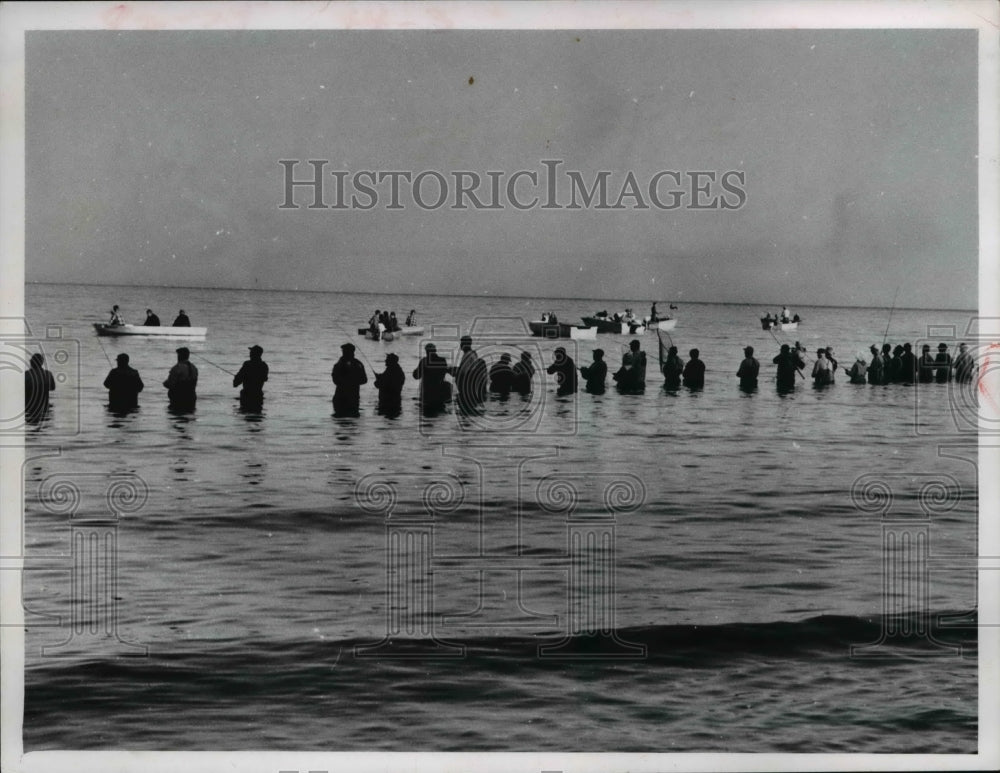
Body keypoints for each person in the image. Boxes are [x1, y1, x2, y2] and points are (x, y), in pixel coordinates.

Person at [331, 343, 367, 416]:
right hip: (348, 397)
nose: (344, 353)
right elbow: (364, 380)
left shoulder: (357, 364)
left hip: (347, 397)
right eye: (343, 351)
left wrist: (349, 381)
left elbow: (364, 380)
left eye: (345, 351)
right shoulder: (357, 363)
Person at [448, 335, 488, 402]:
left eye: (462, 343)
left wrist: (452, 370)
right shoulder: (472, 353)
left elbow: (464, 371)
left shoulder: (468, 355)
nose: (460, 345)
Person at [413, 342, 451, 411]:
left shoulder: (424, 361)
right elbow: (444, 372)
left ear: (426, 351)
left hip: (427, 390)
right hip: (439, 389)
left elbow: (416, 376)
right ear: (435, 351)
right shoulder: (442, 360)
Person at [233, 345, 269, 411]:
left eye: (251, 352)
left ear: (253, 354)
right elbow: (265, 378)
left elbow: (235, 384)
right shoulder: (264, 366)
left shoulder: (247, 364)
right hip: (258, 396)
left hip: (246, 396)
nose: (250, 354)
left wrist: (237, 378)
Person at [25, 353, 56, 421]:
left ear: (31, 362)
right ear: (41, 363)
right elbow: (52, 388)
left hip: (29, 406)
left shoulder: (26, 375)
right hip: (44, 405)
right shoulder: (48, 374)